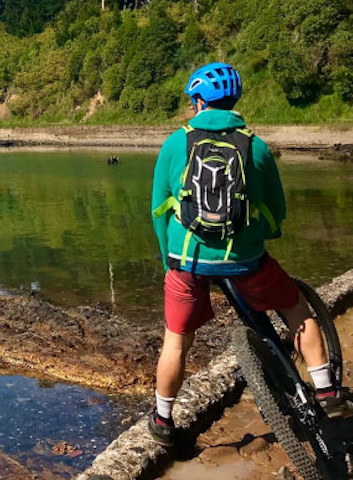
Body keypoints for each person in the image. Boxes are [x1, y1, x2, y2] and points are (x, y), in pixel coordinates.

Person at [148, 62, 353, 446]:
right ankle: (325, 391)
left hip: (187, 261)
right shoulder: (255, 146)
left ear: (197, 102)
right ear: (235, 100)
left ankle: (162, 420)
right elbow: (276, 208)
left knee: (176, 341)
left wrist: (168, 259)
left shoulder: (176, 143)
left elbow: (158, 208)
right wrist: (264, 235)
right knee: (295, 308)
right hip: (244, 258)